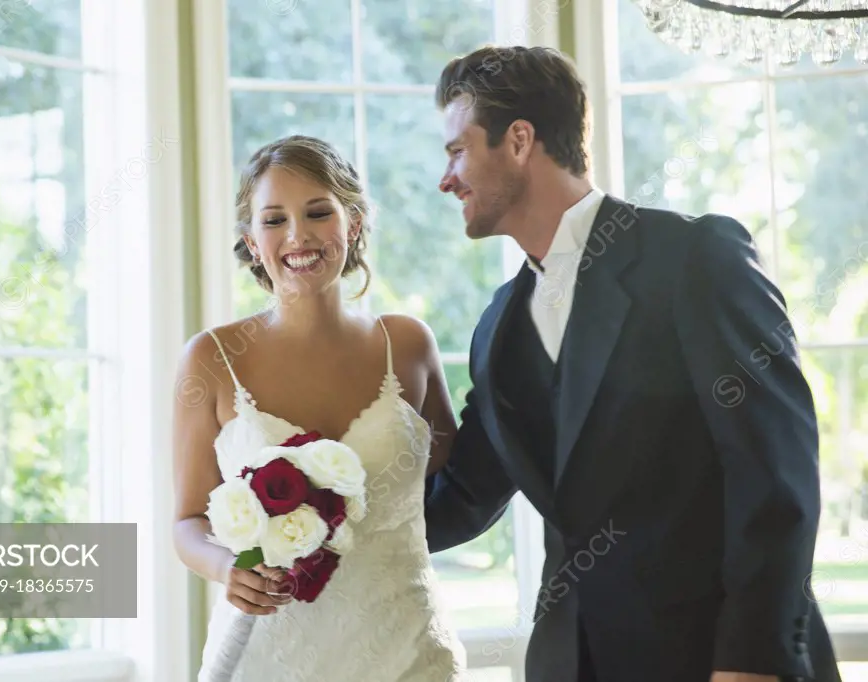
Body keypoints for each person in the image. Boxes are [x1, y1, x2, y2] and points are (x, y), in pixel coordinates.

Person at [423, 45, 842, 682]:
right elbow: (464, 497)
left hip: (718, 660)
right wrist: (319, 526)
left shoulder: (693, 258)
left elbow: (776, 473)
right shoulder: (496, 329)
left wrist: (753, 661)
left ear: (519, 140)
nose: (445, 179)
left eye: (457, 150)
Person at [173, 134, 468, 681]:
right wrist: (226, 568)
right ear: (250, 239)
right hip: (268, 656)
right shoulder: (211, 359)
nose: (298, 236)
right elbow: (187, 521)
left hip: (405, 651)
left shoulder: (406, 345)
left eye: (317, 212)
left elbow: (455, 472)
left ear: (352, 222)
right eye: (274, 219)